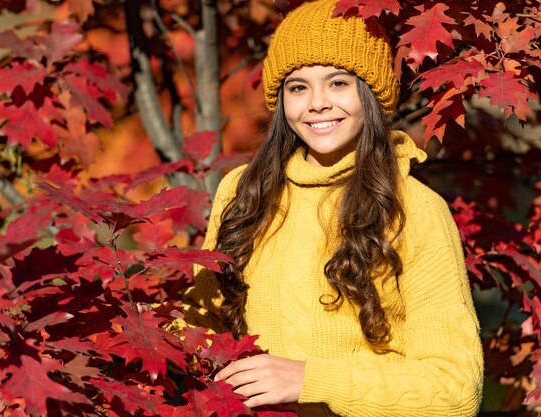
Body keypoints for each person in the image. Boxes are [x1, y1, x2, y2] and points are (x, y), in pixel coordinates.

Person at [182, 0, 484, 415]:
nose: (317, 103)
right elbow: (200, 328)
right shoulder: (243, 191)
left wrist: (310, 380)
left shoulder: (416, 208)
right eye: (298, 87)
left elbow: (455, 389)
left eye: (339, 83)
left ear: (372, 94)